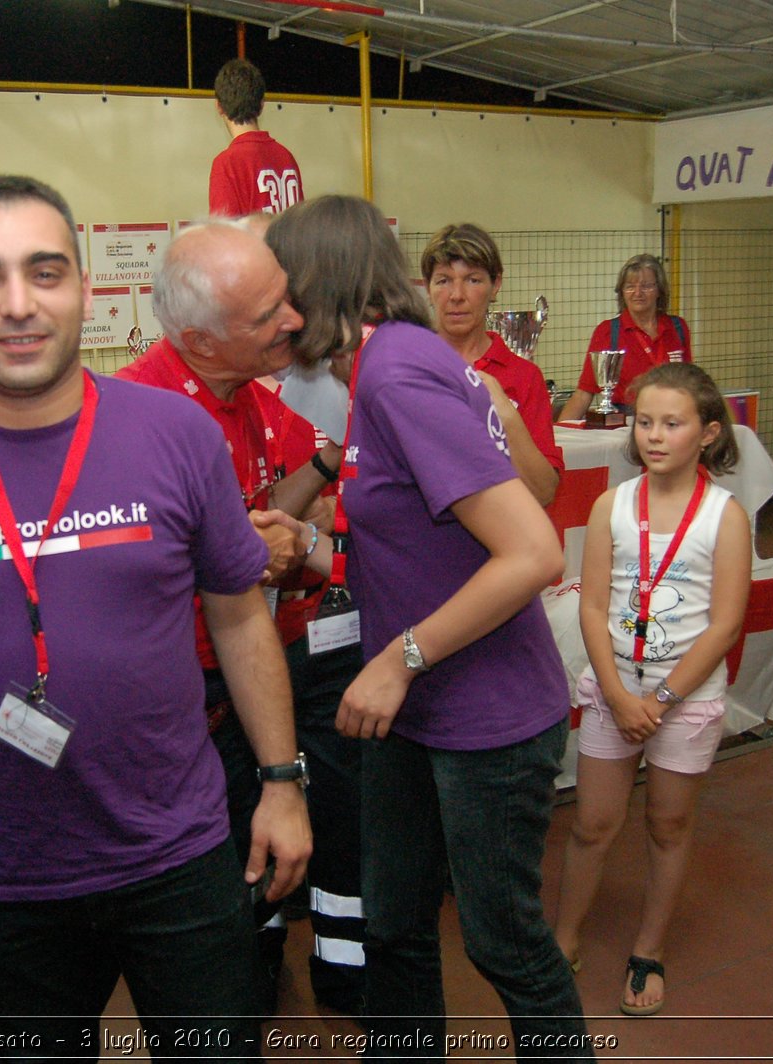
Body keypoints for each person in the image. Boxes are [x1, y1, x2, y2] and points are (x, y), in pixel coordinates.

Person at [0, 175, 311, 1059]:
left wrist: (282, 782)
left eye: (45, 273)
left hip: (180, 859)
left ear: (85, 289)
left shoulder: (176, 436)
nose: (18, 305)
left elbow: (241, 622)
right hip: (2, 877)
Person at [260, 195, 592, 1059]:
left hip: (481, 714)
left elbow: (531, 554)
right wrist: (311, 552)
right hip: (412, 714)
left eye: (280, 288)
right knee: (397, 926)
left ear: (322, 284)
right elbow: (415, 551)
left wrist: (400, 660)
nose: (272, 309)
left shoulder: (401, 372)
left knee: (503, 943)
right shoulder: (384, 372)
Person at [117, 220, 366, 1015]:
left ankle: (267, 967)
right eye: (265, 318)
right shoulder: (128, 420)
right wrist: (221, 552)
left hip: (253, 676)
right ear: (199, 339)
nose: (293, 322)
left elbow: (296, 498)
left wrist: (298, 519)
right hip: (177, 702)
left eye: (284, 302)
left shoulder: (254, 400)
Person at [553, 362, 751, 1018]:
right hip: (616, 691)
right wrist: (617, 693)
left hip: (683, 701)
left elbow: (723, 625)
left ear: (708, 432)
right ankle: (564, 936)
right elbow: (591, 606)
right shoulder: (615, 505)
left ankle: (649, 948)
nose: (655, 436)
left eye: (673, 423)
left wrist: (661, 702)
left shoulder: (724, 517)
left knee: (668, 824)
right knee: (591, 823)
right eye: (644, 422)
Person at [421, 223, 563, 507]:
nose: (457, 295)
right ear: (427, 287)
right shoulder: (409, 368)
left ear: (495, 285)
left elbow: (544, 492)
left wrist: (505, 417)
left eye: (473, 280)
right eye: (443, 280)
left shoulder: (523, 377)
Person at [559, 253, 691, 423]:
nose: (638, 293)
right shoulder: (607, 332)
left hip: (673, 420)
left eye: (646, 286)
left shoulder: (678, 328)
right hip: (625, 424)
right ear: (621, 292)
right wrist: (559, 436)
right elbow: (584, 393)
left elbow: (689, 385)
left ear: (660, 289)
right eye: (630, 286)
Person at [209, 58, 304, 217]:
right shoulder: (286, 157)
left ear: (219, 106)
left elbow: (224, 235)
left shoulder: (226, 164)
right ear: (261, 105)